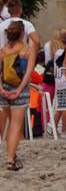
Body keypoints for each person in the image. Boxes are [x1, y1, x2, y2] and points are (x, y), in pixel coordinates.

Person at [1, 18, 33, 170]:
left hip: (4, 90)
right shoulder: (27, 50)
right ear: (22, 34)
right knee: (16, 125)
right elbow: (28, 73)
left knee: (7, 124)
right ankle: (9, 159)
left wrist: (1, 89)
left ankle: (11, 155)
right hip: (20, 89)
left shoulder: (2, 51)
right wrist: (19, 89)